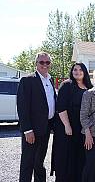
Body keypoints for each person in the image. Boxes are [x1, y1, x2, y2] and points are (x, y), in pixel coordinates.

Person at [17, 51, 56, 182]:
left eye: (47, 62)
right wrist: (27, 130)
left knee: (39, 162)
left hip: (45, 129)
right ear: (36, 63)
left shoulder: (50, 80)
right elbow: (22, 107)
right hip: (32, 131)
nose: (45, 65)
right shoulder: (27, 80)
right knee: (28, 163)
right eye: (42, 62)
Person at [52, 63, 93, 182]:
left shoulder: (89, 87)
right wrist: (67, 125)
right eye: (75, 69)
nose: (78, 72)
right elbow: (61, 107)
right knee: (65, 160)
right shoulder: (67, 85)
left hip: (82, 129)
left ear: (85, 72)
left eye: (80, 70)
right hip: (67, 129)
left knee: (79, 160)